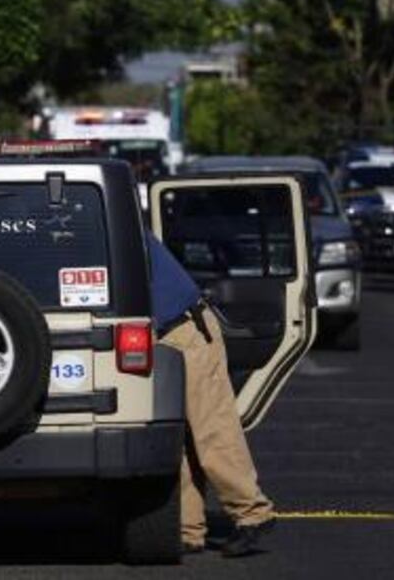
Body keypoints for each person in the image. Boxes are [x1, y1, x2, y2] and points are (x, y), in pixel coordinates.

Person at [146, 231, 276, 557]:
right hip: (164, 333)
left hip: (184, 329)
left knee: (211, 430)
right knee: (181, 438)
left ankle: (252, 513)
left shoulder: (101, 218)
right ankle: (189, 529)